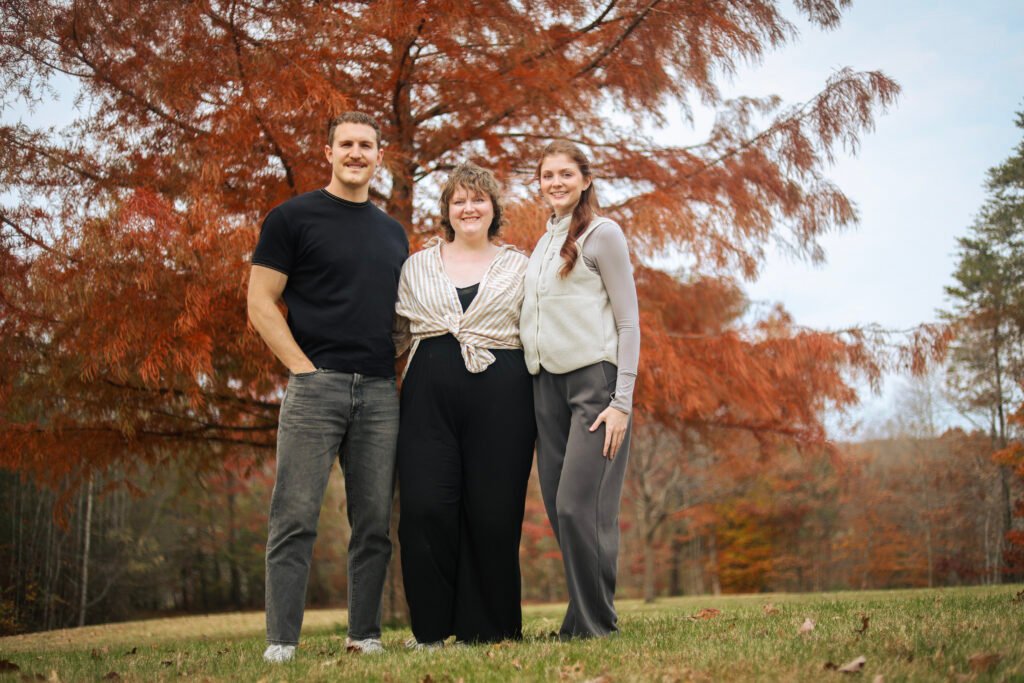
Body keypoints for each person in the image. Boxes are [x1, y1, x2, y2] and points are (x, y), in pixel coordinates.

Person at [247, 112, 409, 663]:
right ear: (329, 151)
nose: (356, 153)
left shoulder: (392, 232)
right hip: (316, 389)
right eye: (347, 144)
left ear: (379, 156)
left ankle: (364, 634)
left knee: (372, 525)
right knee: (294, 519)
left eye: (367, 145)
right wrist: (302, 368)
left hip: (381, 393)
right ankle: (281, 644)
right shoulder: (292, 218)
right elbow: (260, 301)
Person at [394, 162, 536, 647]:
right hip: (428, 395)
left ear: (494, 208)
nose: (469, 207)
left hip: (504, 395)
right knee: (424, 507)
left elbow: (543, 327)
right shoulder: (416, 265)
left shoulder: (521, 266)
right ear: (447, 211)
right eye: (459, 200)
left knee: (493, 513)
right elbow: (394, 332)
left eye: (478, 199)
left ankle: (490, 628)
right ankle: (431, 630)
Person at [520, 140, 640, 639]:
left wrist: (622, 403)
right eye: (548, 175)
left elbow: (629, 322)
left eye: (566, 174)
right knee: (559, 509)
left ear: (585, 179)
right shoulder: (544, 241)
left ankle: (597, 625)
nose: (556, 183)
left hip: (595, 384)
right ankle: (579, 619)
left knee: (580, 506)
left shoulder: (603, 233)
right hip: (545, 386)